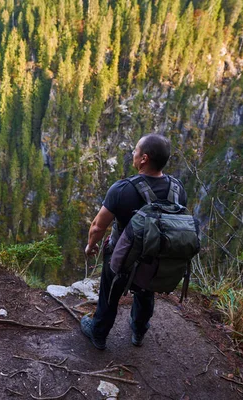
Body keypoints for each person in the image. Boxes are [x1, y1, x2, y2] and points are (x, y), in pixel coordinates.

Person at [81, 134, 187, 350]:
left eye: (135, 150)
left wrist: (91, 245)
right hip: (156, 259)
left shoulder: (122, 189)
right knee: (146, 289)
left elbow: (98, 226)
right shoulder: (178, 191)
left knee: (110, 294)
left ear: (144, 159)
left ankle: (98, 334)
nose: (133, 153)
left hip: (123, 259)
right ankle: (138, 331)